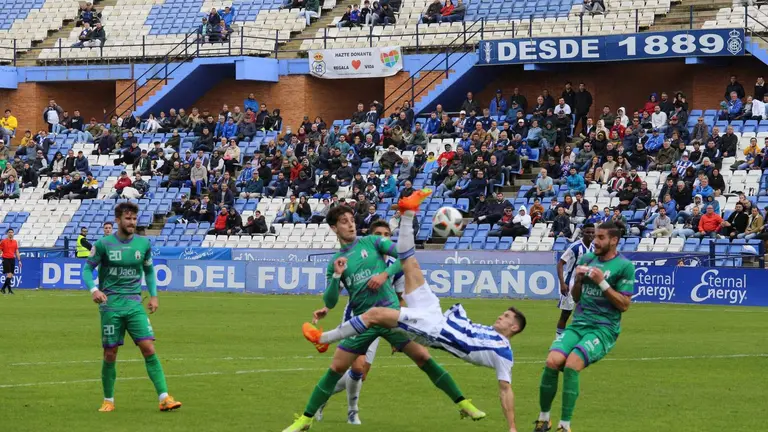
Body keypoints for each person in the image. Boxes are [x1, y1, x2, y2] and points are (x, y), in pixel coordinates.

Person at [303, 189, 525, 432]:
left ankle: (463, 403)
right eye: (344, 222)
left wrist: (385, 273)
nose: (350, 225)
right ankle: (323, 408)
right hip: (364, 320)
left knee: (423, 358)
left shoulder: (372, 243)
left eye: (352, 220)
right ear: (334, 228)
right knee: (348, 369)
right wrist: (336, 275)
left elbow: (402, 256)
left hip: (392, 317)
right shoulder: (336, 260)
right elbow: (331, 300)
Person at [534, 221, 635, 432]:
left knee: (571, 365)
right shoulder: (587, 259)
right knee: (552, 362)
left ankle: (565, 425)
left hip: (603, 329)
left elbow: (624, 305)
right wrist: (578, 281)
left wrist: (603, 283)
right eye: (595, 237)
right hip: (579, 324)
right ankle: (544, 419)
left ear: (614, 240)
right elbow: (576, 298)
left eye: (600, 238)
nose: (595, 241)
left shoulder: (625, 266)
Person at [82, 202, 182, 413]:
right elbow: (86, 270)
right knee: (110, 353)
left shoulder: (143, 244)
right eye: (128, 219)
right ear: (118, 220)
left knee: (149, 348)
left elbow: (150, 271)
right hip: (111, 307)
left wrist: (154, 296)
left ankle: (164, 397)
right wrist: (94, 290)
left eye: (134, 219)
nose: (132, 222)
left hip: (134, 304)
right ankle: (108, 400)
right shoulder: (102, 244)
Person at [314, 220, 404, 425]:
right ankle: (352, 412)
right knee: (356, 367)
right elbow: (340, 289)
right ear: (371, 238)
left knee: (360, 374)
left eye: (387, 234)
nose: (383, 237)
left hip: (383, 319)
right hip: (359, 317)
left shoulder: (396, 267)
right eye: (379, 233)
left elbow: (400, 298)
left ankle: (323, 397)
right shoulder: (357, 257)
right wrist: (326, 309)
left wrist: (397, 331)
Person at [555, 224, 595, 338]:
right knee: (566, 314)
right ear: (582, 232)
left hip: (584, 284)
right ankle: (558, 341)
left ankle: (580, 338)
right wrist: (562, 283)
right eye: (588, 232)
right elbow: (560, 263)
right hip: (570, 283)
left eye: (593, 232)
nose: (591, 235)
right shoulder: (575, 247)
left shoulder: (593, 248)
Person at [1, 228, 21, 294]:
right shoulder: (3, 241)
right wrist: (1, 254)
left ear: (13, 233)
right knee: (9, 274)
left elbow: (17, 251)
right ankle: (3, 288)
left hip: (12, 259)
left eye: (12, 232)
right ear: (7, 233)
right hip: (6, 258)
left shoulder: (15, 242)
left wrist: (19, 260)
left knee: (11, 275)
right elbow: (0, 249)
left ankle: (9, 290)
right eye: (9, 232)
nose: (10, 233)